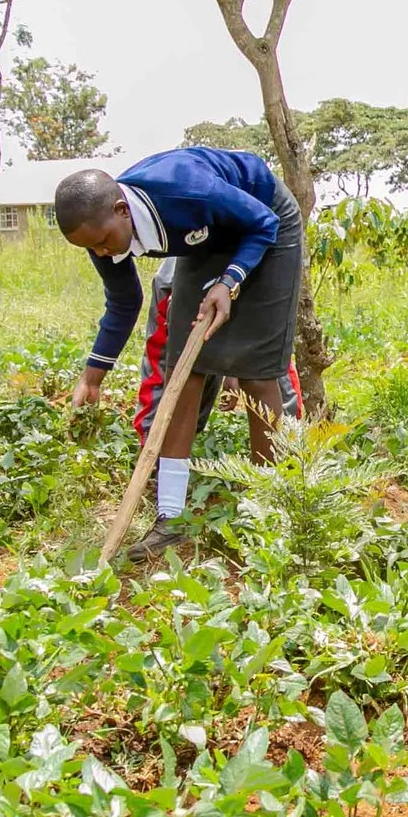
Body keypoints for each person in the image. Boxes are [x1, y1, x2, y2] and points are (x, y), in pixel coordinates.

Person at [55, 146, 304, 561]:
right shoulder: (99, 233)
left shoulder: (184, 190)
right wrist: (92, 375)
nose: (101, 253)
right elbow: (123, 301)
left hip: (264, 222)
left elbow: (263, 223)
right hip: (203, 239)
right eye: (91, 249)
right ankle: (171, 517)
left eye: (102, 243)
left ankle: (269, 510)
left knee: (257, 374)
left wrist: (230, 281)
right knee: (184, 372)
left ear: (121, 209)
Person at [130, 258, 302, 440]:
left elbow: (272, 361)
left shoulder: (271, 272)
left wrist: (236, 368)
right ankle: (164, 448)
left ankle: (288, 449)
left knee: (268, 368)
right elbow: (160, 361)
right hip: (192, 274)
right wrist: (150, 435)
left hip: (261, 272)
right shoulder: (171, 282)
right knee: (184, 363)